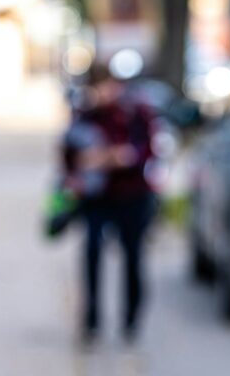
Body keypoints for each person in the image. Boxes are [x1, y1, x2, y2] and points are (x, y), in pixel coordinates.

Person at [62, 67, 157, 342]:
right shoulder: (85, 117)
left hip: (132, 196)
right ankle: (91, 320)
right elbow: (69, 156)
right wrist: (82, 170)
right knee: (91, 252)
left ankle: (131, 321)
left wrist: (117, 157)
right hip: (97, 198)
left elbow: (145, 151)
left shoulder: (136, 113)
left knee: (133, 258)